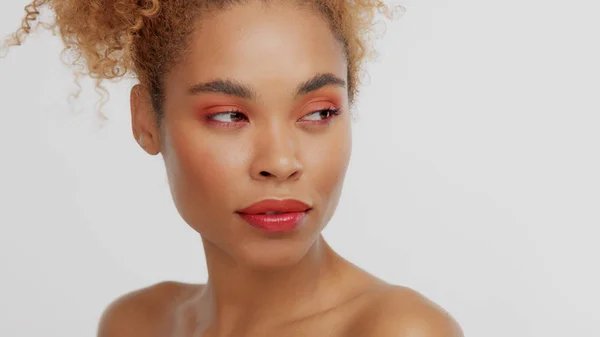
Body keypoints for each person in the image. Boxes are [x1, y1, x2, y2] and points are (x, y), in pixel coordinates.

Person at [2, 0, 463, 336]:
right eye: (228, 116)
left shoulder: (398, 330)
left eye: (319, 113)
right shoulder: (133, 324)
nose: (280, 162)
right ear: (146, 120)